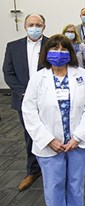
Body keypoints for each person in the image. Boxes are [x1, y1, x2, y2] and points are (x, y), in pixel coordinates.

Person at [21, 34, 85, 206]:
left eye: (64, 50)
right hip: (49, 144)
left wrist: (78, 137)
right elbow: (29, 111)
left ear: (70, 53)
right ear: (47, 52)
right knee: (54, 187)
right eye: (54, 49)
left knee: (75, 184)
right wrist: (48, 140)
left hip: (77, 143)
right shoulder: (38, 78)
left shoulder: (80, 75)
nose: (59, 53)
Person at [2, 14, 49, 192]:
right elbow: (8, 73)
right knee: (31, 135)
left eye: (38, 24)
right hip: (23, 100)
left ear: (44, 26)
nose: (34, 27)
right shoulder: (13, 47)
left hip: (48, 99)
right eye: (31, 24)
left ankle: (50, 169)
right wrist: (26, 92)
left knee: (51, 133)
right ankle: (33, 171)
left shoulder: (52, 45)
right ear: (25, 26)